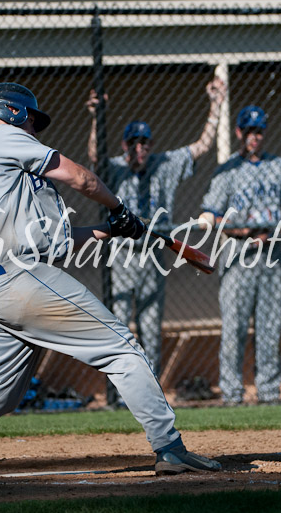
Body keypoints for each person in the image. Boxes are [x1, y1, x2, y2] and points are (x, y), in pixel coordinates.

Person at [0, 82, 220, 479]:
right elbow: (81, 178)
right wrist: (118, 205)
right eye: (31, 120)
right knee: (123, 349)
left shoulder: (1, 173)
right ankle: (169, 447)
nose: (34, 129)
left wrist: (113, 227)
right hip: (20, 278)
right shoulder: (1, 138)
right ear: (12, 112)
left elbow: (57, 246)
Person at [86, 77, 225, 376]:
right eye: (133, 143)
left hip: (153, 252)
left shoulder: (165, 163)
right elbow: (94, 157)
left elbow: (203, 145)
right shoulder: (116, 168)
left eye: (144, 143)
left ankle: (153, 385)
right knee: (120, 323)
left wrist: (216, 105)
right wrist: (97, 118)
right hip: (122, 252)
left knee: (151, 326)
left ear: (151, 145)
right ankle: (120, 388)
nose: (139, 148)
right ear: (124, 145)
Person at [199, 105, 281, 406]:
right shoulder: (228, 169)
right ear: (239, 132)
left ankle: (268, 391)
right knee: (235, 328)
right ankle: (232, 394)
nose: (255, 137)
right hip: (238, 254)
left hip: (270, 255)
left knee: (269, 327)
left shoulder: (278, 166)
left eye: (260, 131)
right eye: (250, 131)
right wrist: (245, 232)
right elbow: (211, 216)